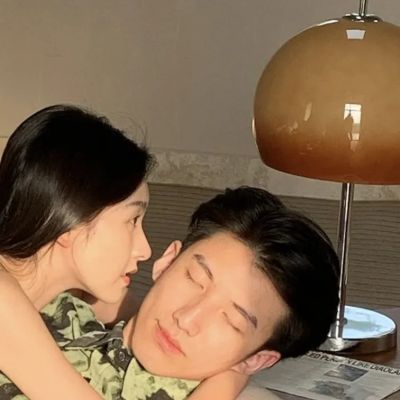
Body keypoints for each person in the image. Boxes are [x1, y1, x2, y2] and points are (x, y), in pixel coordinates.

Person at [0, 105, 247, 400]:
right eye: (132, 220)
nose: (144, 250)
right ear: (69, 220)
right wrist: (233, 377)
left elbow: (146, 319)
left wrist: (239, 355)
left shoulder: (68, 292)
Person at [0, 187, 340, 399]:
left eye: (231, 321)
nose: (186, 319)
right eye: (194, 278)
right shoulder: (73, 305)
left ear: (256, 360)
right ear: (166, 262)